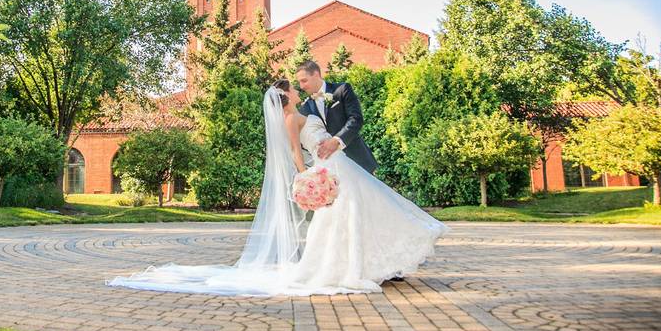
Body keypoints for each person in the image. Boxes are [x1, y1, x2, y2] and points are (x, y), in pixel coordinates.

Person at [106, 77, 448, 296]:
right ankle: (352, 268)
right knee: (348, 217)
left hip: (338, 164)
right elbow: (295, 151)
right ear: (285, 97)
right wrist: (307, 177)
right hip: (327, 169)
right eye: (293, 87)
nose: (298, 89)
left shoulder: (309, 108)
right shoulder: (290, 118)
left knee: (362, 212)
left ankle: (372, 264)